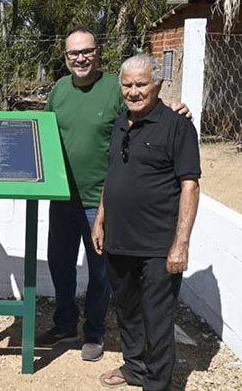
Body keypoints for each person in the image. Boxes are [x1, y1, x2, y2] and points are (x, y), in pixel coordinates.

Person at [37, 25, 190, 363]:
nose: (80, 58)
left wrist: (175, 111)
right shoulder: (59, 89)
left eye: (86, 51)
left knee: (101, 272)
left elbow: (145, 109)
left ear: (97, 52)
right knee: (60, 264)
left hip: (100, 201)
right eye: (73, 53)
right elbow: (42, 133)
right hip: (62, 198)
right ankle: (64, 323)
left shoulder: (114, 88)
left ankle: (93, 331)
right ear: (65, 57)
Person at [92, 54, 201, 391]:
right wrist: (100, 220)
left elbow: (190, 185)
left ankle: (157, 383)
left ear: (159, 85)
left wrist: (181, 243)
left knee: (157, 318)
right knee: (127, 311)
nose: (134, 91)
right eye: (127, 84)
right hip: (118, 239)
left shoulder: (178, 126)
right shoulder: (120, 124)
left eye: (142, 84)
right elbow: (112, 176)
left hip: (158, 244)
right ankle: (135, 368)